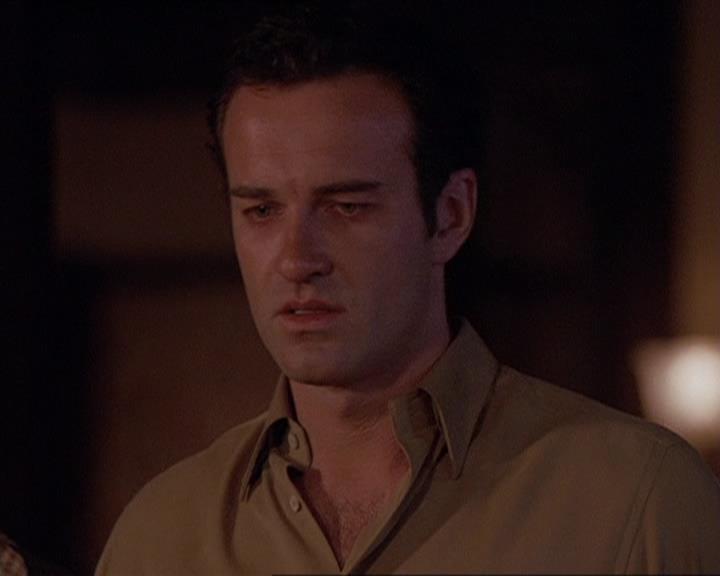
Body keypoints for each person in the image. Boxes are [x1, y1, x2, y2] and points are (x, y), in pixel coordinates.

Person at [95, 2, 720, 574]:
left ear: (450, 215)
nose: (296, 260)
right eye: (261, 211)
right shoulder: (160, 537)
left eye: (346, 207)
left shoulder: (635, 501)